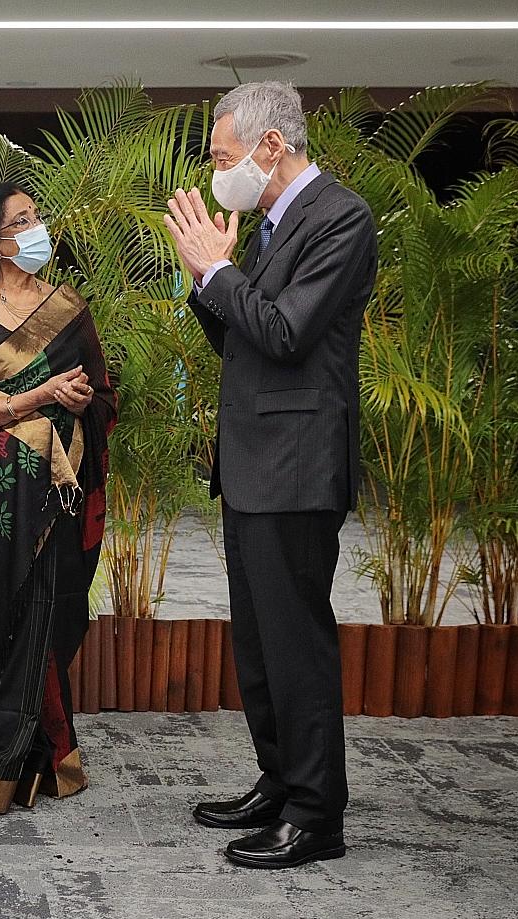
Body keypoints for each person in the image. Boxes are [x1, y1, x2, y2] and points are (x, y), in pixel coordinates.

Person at [165, 80, 377, 869]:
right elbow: (243, 341)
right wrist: (206, 278)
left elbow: (287, 334)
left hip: (297, 464)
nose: (217, 172)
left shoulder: (340, 217)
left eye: (223, 157)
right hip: (255, 462)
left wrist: (218, 271)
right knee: (258, 642)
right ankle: (281, 781)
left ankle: (317, 815)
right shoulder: (271, 224)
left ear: (271, 146)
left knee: (296, 644)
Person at [0, 183, 116, 817]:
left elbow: (103, 394)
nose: (37, 229)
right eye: (22, 221)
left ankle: (40, 759)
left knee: (52, 620)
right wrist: (37, 398)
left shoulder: (69, 307)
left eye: (38, 216)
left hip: (62, 491)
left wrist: (81, 401)